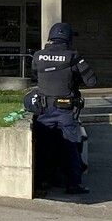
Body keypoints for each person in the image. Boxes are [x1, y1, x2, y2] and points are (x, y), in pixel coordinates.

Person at [32, 22, 97, 196]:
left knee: (42, 148)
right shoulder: (74, 57)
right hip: (65, 111)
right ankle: (73, 184)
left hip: (43, 110)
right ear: (67, 39)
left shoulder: (38, 56)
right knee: (71, 148)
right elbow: (92, 81)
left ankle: (40, 183)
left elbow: (34, 76)